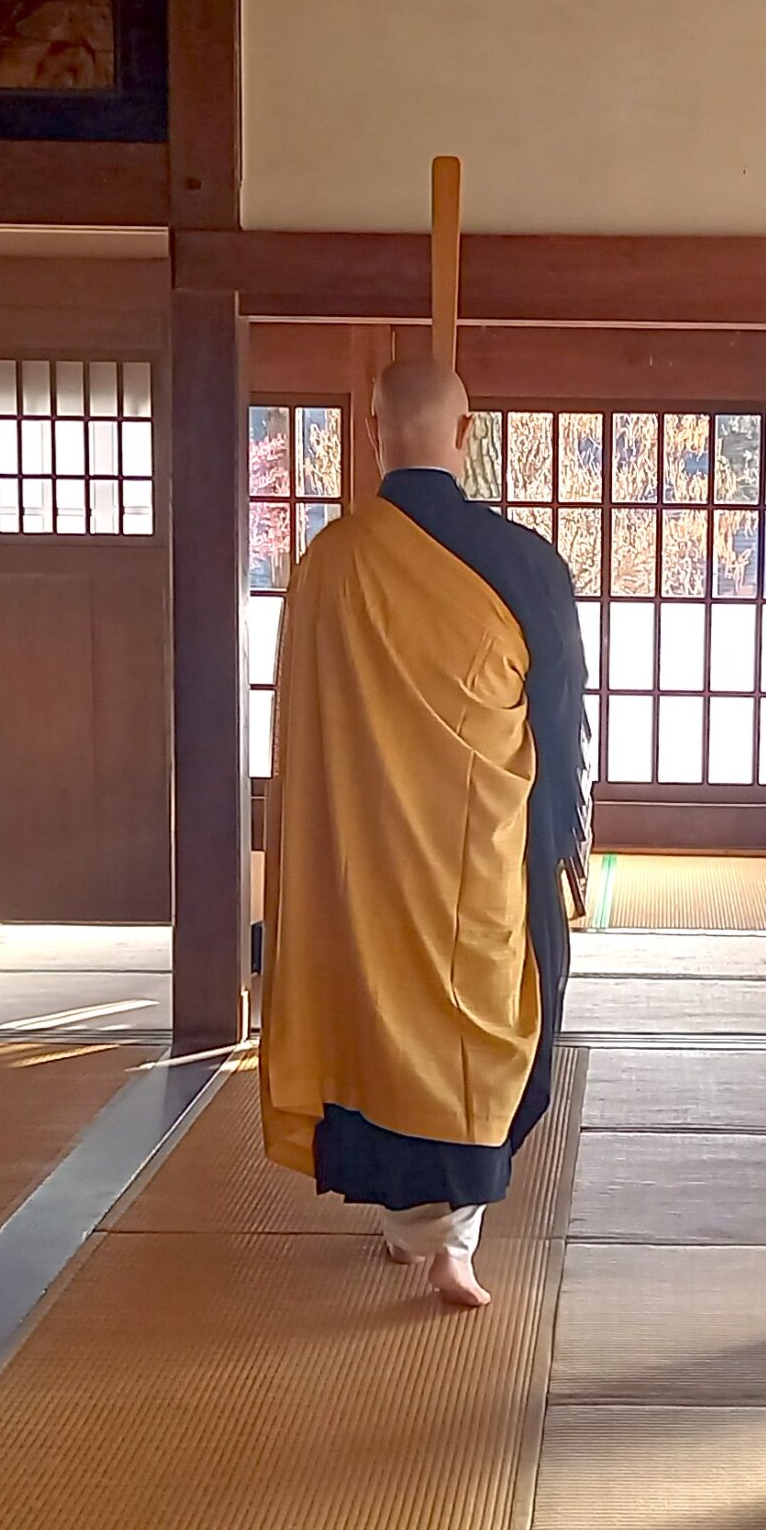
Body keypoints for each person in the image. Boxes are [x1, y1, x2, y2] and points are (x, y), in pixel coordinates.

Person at [260, 355, 589, 1310]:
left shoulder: (329, 564)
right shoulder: (526, 562)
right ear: (465, 430)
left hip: (362, 863)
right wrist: (568, 835)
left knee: (373, 1023)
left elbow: (306, 740)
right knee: (494, 1022)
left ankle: (416, 1228)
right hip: (481, 859)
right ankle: (457, 1236)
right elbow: (561, 721)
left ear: (373, 432)